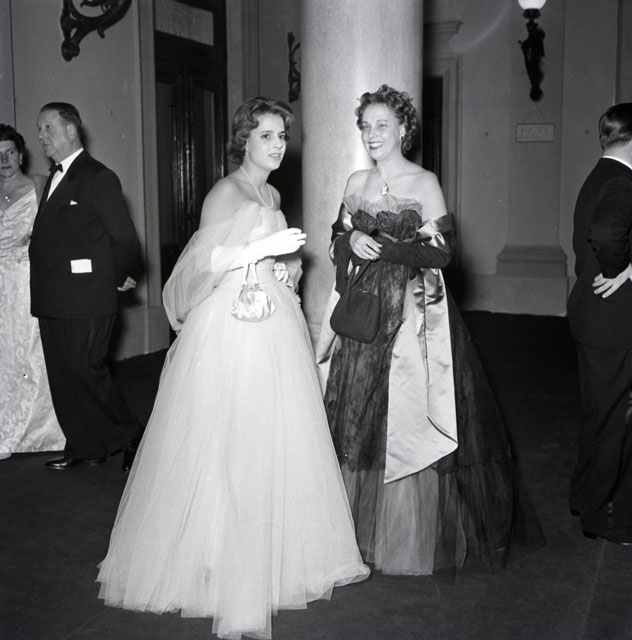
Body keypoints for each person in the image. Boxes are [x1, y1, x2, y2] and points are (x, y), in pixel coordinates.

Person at [97, 97, 369, 639]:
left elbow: (271, 255)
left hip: (273, 319)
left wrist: (285, 266)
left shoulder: (271, 194)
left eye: (281, 136)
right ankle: (217, 561)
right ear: (243, 140)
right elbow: (204, 264)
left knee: (273, 435)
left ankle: (274, 557)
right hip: (232, 326)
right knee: (230, 435)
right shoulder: (225, 192)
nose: (277, 145)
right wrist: (258, 249)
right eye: (265, 135)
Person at [317, 85, 544, 575]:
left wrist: (385, 246)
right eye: (366, 126)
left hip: (406, 316)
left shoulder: (424, 182)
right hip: (359, 313)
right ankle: (346, 532)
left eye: (382, 125)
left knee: (399, 416)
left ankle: (396, 536)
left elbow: (442, 252)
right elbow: (336, 237)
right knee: (356, 414)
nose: (372, 134)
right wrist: (351, 240)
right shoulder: (355, 180)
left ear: (404, 129)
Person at [29, 102, 142, 472]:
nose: (41, 136)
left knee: (86, 370)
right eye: (39, 129)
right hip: (51, 297)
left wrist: (117, 277)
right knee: (63, 376)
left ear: (71, 130)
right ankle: (85, 446)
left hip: (88, 297)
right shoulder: (54, 177)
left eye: (48, 127)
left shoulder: (98, 176)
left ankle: (133, 435)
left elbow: (125, 239)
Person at [567, 103, 632, 545]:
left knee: (599, 413)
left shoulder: (599, 175)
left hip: (592, 315)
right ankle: (608, 519)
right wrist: (621, 270)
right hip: (615, 318)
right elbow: (607, 234)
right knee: (618, 421)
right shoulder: (624, 182)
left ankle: (585, 498)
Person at [0, 124, 64, 458]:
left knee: (29, 350)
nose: (4, 160)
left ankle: (39, 429)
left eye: (9, 152)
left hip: (27, 280)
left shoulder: (39, 185)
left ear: (21, 155)